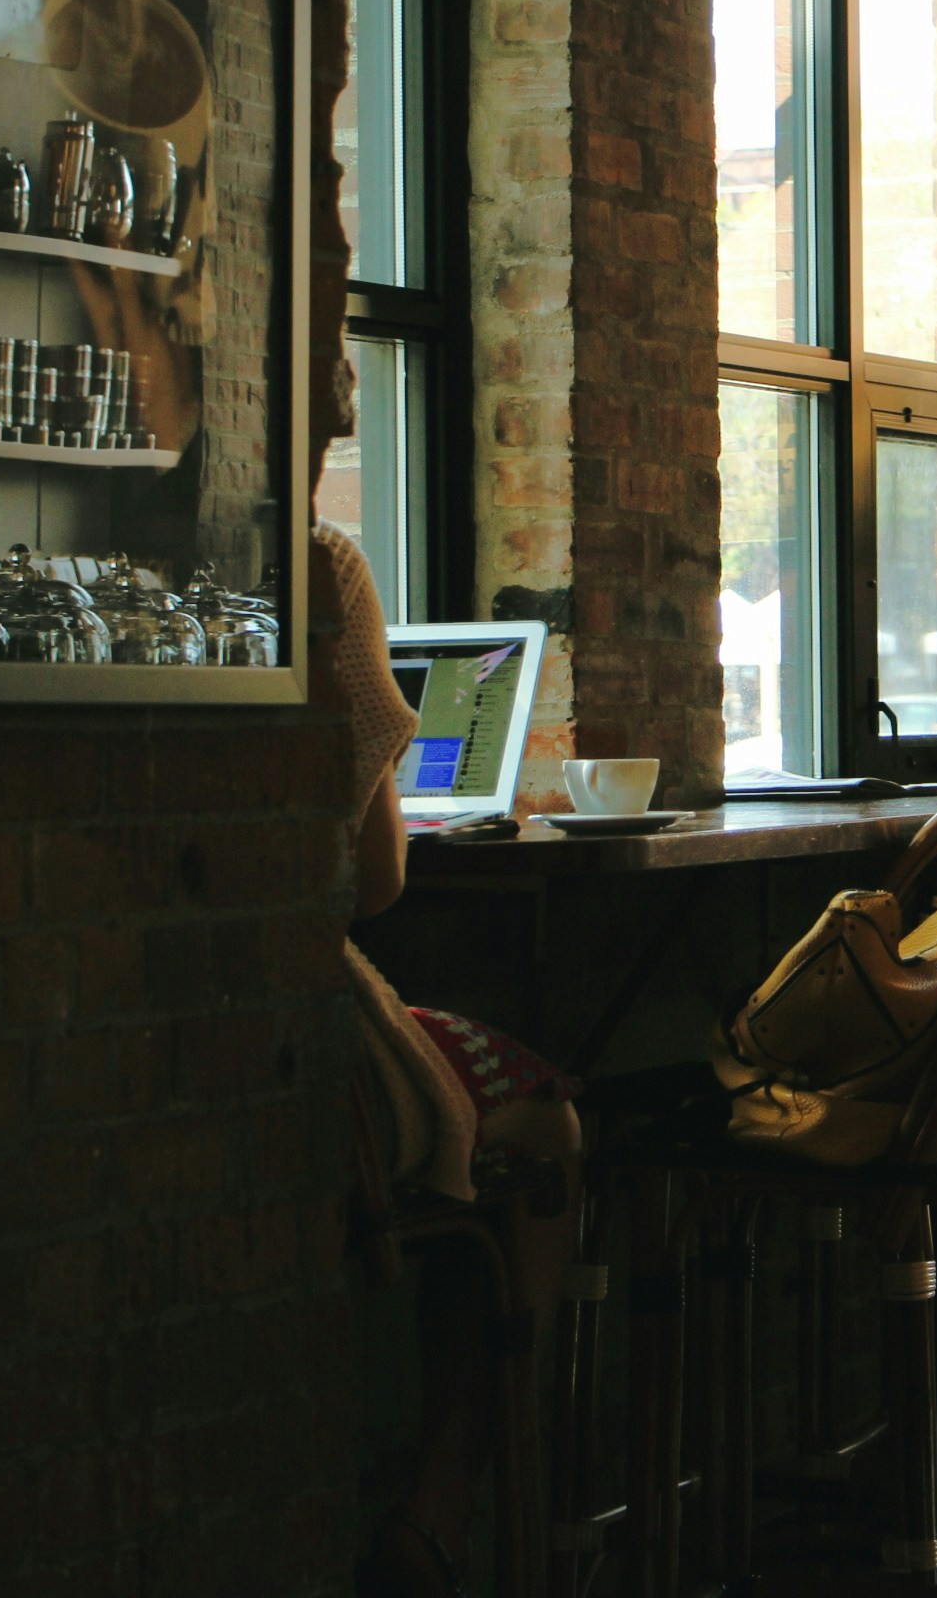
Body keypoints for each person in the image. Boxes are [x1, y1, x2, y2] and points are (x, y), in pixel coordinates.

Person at [319, 514, 583, 1598]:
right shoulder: (325, 562)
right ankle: (448, 1507)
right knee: (548, 1109)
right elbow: (376, 877)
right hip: (314, 1039)